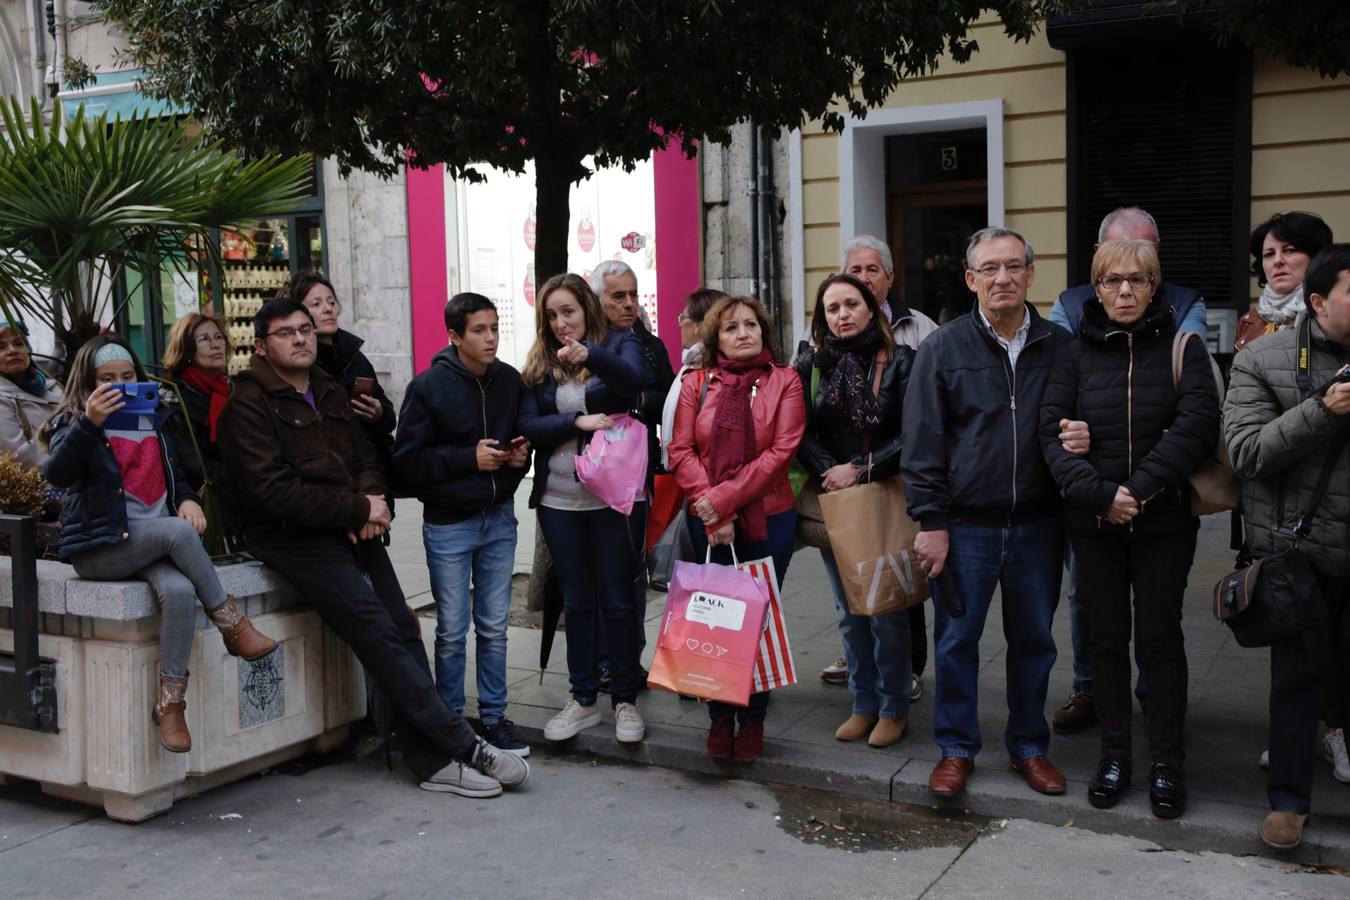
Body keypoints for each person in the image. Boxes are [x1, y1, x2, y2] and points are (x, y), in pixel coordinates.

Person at [218, 299, 528, 797]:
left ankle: (431, 759)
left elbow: (367, 458)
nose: (300, 338)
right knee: (375, 629)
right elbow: (272, 492)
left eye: (305, 329)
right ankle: (462, 747)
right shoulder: (248, 405)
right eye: (285, 333)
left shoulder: (327, 388)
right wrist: (355, 509)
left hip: (351, 525)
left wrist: (369, 504)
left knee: (403, 626)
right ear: (260, 346)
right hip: (294, 536)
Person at [1040, 240, 1220, 819]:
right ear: (1095, 289)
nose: (1124, 291)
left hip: (1163, 523)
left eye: (1137, 280)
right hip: (1094, 524)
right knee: (1105, 641)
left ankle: (1167, 761)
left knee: (1161, 641)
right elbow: (1050, 436)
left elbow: (1195, 428)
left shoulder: (1184, 348)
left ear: (1154, 286)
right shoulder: (1072, 353)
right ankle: (1114, 755)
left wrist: (1136, 491)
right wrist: (1101, 495)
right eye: (1112, 280)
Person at [41, 335, 277, 753]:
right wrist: (89, 423)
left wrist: (187, 499)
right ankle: (233, 626)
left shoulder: (153, 418)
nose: (119, 385)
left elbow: (175, 475)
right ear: (88, 383)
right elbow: (57, 474)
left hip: (150, 543)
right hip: (101, 549)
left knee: (180, 591)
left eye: (127, 375)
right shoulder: (74, 422)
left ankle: (170, 704)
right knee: (177, 532)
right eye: (107, 379)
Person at [901, 226, 1070, 800]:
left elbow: (1076, 422)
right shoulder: (942, 348)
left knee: (1035, 642)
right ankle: (955, 748)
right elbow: (922, 443)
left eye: (1014, 266)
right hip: (964, 526)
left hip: (1039, 524)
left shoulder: (1059, 345)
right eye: (990, 268)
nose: (1003, 278)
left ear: (1031, 275)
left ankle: (1029, 746)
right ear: (971, 279)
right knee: (956, 642)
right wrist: (932, 522)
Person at [1225, 244, 1350, 850]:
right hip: (1301, 549)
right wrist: (1323, 409)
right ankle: (1289, 803)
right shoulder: (1263, 358)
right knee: (1297, 679)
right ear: (1319, 302)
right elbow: (1245, 453)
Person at [393, 293, 531, 756]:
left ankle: (494, 719)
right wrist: (467, 458)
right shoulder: (428, 387)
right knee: (452, 631)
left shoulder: (509, 380)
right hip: (450, 524)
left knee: (494, 628)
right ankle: (450, 724)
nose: (491, 338)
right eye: (479, 330)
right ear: (454, 336)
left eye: (495, 328)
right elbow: (407, 465)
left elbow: (519, 443)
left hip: (500, 519)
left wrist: (518, 460)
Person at [668, 294, 805, 762]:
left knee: (756, 619)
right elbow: (680, 451)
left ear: (764, 332)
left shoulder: (785, 381)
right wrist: (715, 513)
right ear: (715, 337)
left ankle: (753, 719)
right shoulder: (696, 382)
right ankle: (719, 717)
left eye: (751, 324)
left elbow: (780, 453)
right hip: (706, 517)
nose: (743, 333)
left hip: (769, 517)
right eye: (730, 327)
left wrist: (721, 503)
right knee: (716, 616)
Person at [518, 273, 652, 746]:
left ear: (587, 309)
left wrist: (590, 354)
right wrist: (575, 421)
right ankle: (583, 698)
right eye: (552, 315)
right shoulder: (541, 359)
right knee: (577, 602)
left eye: (568, 312)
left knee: (617, 599)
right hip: (559, 499)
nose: (560, 323)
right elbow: (528, 424)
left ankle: (624, 700)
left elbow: (635, 381)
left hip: (616, 496)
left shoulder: (619, 342)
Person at [794, 273, 915, 748]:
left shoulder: (901, 361)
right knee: (848, 611)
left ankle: (893, 707)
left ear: (871, 309)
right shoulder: (812, 365)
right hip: (836, 499)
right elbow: (799, 431)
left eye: (851, 304)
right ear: (822, 318)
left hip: (882, 494)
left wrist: (861, 469)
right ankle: (863, 703)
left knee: (886, 608)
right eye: (832, 308)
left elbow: (913, 432)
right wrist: (832, 472)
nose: (842, 315)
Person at [839, 234, 938, 698]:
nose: (863, 278)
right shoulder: (831, 328)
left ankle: (909, 668)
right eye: (854, 270)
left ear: (890, 277)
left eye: (872, 269)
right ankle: (861, 659)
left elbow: (927, 409)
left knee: (901, 574)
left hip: (900, 474)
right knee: (854, 573)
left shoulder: (918, 328)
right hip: (849, 479)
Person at [590, 260, 674, 683]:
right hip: (590, 472)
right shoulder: (584, 342)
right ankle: (598, 661)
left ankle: (628, 663)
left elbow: (670, 400)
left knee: (631, 572)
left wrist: (638, 400)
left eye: (633, 295)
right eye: (617, 296)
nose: (629, 304)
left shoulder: (650, 346)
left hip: (636, 470)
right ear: (597, 299)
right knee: (593, 574)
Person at [288, 270, 397, 473]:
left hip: (373, 469)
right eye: (316, 304)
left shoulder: (354, 356)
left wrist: (378, 414)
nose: (328, 309)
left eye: (331, 302)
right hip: (327, 472)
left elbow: (388, 418)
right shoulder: (299, 364)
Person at [1235, 212, 1334, 355]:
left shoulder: (1334, 313)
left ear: (1316, 257)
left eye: (1289, 250)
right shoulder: (1248, 322)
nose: (1277, 261)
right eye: (1269, 254)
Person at [162, 313, 231, 491]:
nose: (215, 345)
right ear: (186, 350)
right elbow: (194, 466)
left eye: (219, 337)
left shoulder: (231, 389)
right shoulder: (173, 398)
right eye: (204, 339)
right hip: (204, 495)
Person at [659, 288, 727, 470]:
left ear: (699, 325)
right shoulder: (691, 364)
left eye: (683, 317)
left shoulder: (708, 371)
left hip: (700, 477)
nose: (679, 324)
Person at [0, 320, 62, 468]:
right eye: (1, 347)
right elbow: (19, 457)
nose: (12, 351)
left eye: (18, 344)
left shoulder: (54, 387)